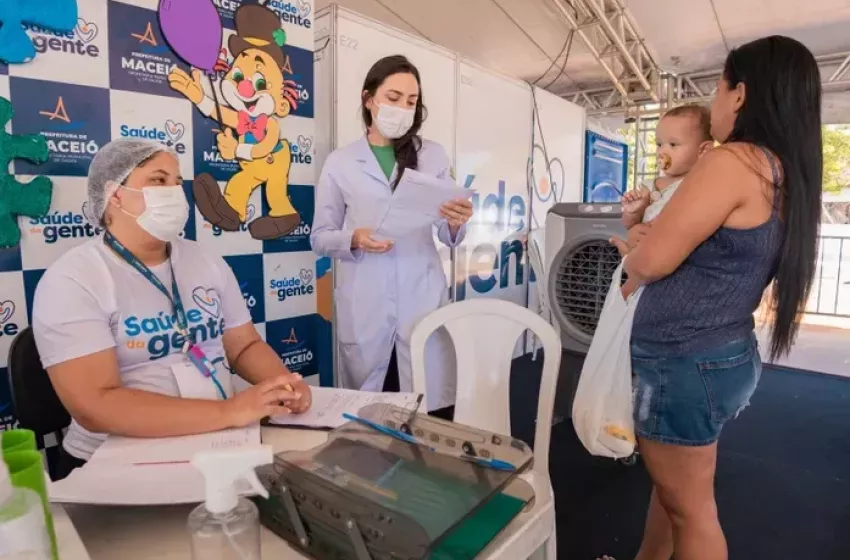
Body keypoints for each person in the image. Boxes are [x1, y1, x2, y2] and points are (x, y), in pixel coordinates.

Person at [604, 36, 822, 560]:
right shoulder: (781, 169)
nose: (716, 103)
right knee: (677, 494)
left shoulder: (734, 162)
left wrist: (632, 252)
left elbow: (654, 260)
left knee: (693, 510)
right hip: (718, 353)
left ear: (740, 94)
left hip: (683, 361)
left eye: (718, 89)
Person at [32, 139, 312, 480]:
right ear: (115, 194)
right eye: (158, 180)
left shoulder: (205, 260)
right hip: (115, 460)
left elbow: (244, 345)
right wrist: (230, 410)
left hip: (221, 440)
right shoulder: (74, 278)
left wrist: (282, 384)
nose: (175, 192)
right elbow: (96, 405)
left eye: (177, 182)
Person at [311, 55, 473, 417]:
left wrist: (457, 220)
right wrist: (354, 238)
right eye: (394, 97)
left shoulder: (432, 155)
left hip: (421, 297)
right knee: (374, 414)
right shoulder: (340, 162)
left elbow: (449, 234)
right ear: (369, 99)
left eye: (412, 102)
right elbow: (320, 237)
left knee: (427, 410)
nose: (403, 108)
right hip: (366, 303)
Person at [619, 104, 714, 297]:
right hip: (637, 268)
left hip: (669, 277)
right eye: (659, 143)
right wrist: (633, 212)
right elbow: (630, 226)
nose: (663, 151)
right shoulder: (648, 185)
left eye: (673, 145)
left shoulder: (697, 187)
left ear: (703, 150)